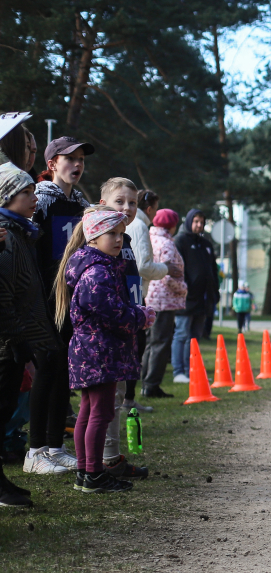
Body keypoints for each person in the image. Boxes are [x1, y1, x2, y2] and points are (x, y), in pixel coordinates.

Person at [55, 207, 154, 493]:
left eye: (121, 234)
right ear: (93, 236)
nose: (118, 239)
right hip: (99, 352)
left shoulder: (96, 265)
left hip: (93, 352)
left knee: (88, 411)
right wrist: (141, 317)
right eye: (111, 233)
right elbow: (111, 311)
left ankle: (86, 472)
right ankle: (95, 474)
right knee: (100, 413)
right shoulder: (97, 271)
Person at [27, 136, 93, 476]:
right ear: (52, 164)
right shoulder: (41, 200)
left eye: (81, 158)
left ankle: (55, 447)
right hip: (43, 298)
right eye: (70, 159)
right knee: (47, 368)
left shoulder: (81, 204)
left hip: (71, 298)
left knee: (64, 373)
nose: (77, 164)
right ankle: (34, 450)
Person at [0, 163, 60, 505]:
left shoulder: (19, 231)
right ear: (7, 197)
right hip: (7, 341)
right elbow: (4, 294)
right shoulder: (5, 236)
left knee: (5, 406)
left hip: (16, 338)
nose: (34, 198)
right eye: (26, 193)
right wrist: (15, 339)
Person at [96, 178, 153, 478]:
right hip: (108, 333)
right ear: (103, 203)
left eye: (132, 202)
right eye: (119, 201)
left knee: (116, 397)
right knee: (106, 400)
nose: (127, 208)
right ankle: (102, 461)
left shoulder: (125, 240)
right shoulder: (103, 241)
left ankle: (111, 457)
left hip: (128, 328)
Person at [141, 209, 186, 398]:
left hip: (151, 297)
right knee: (160, 343)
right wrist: (183, 289)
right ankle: (151, 385)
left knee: (151, 343)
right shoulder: (166, 243)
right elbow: (169, 275)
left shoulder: (150, 238)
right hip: (164, 300)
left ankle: (144, 381)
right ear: (172, 225)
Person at [173, 209, 219, 379]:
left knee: (195, 337)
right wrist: (185, 289)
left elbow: (213, 270)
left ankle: (192, 370)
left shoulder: (206, 244)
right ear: (189, 221)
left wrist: (214, 292)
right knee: (182, 335)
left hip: (203, 300)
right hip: (185, 299)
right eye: (196, 221)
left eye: (202, 222)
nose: (199, 225)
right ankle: (179, 372)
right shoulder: (180, 241)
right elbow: (177, 269)